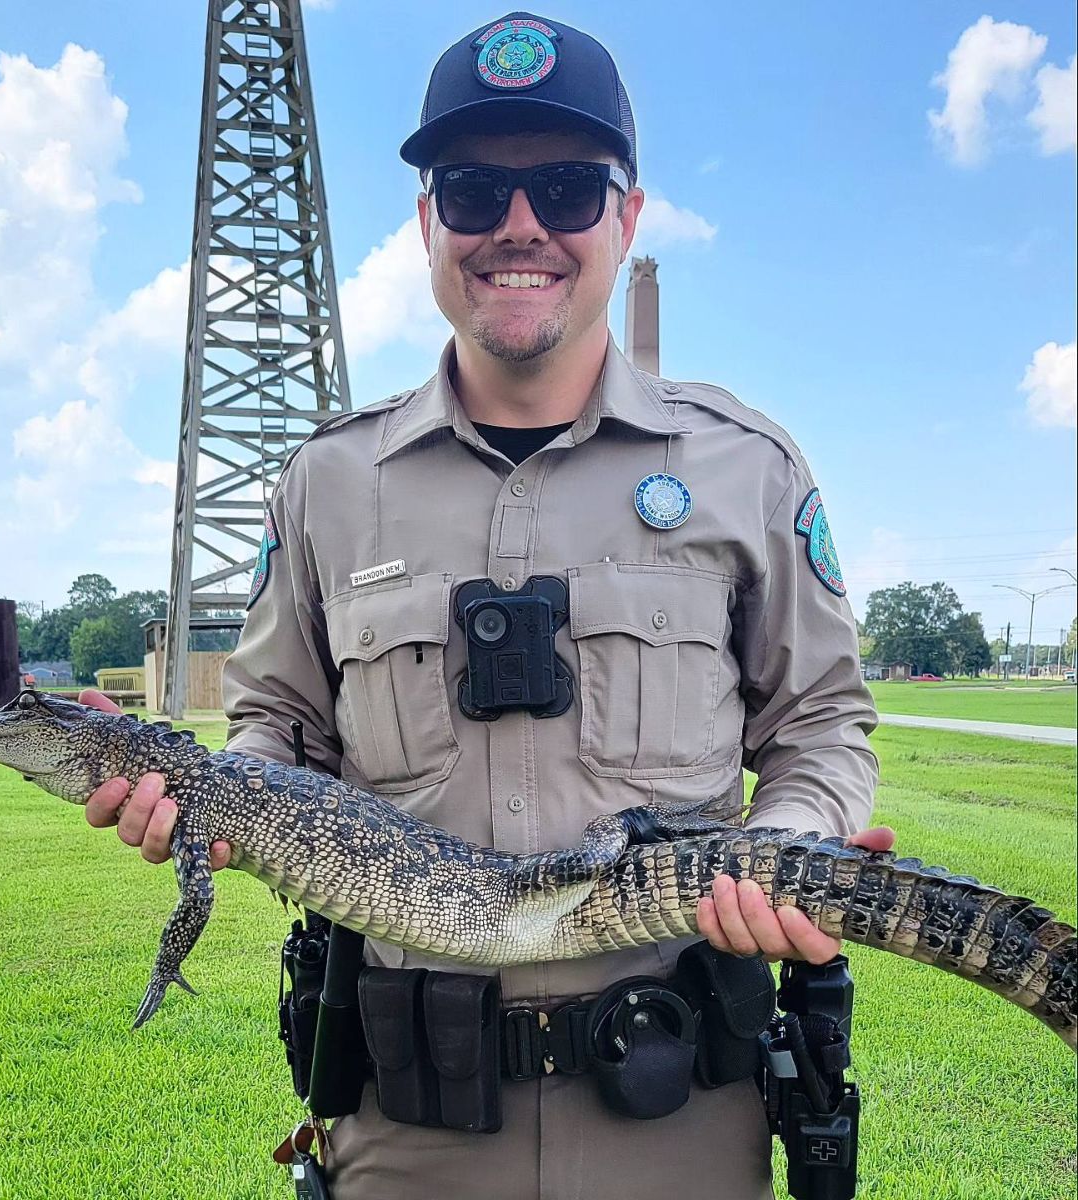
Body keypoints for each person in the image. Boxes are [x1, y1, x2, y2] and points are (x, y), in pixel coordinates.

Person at [83, 11, 891, 1198]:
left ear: (627, 216)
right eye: (472, 191)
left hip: (682, 1117)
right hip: (408, 1127)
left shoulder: (745, 468)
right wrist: (214, 805)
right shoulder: (326, 485)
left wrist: (792, 850)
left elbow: (822, 723)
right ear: (427, 223)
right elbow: (273, 732)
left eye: (568, 188)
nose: (521, 228)